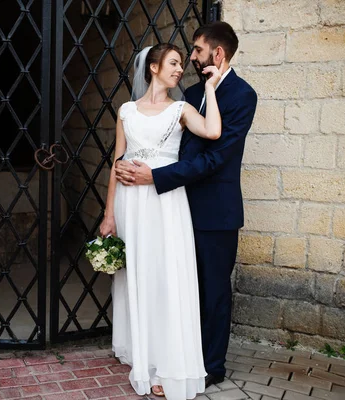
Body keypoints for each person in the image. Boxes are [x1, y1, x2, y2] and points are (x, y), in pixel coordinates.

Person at [114, 22, 258, 388]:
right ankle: (175, 357)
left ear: (218, 54)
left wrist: (156, 178)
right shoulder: (189, 94)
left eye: (196, 50)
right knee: (177, 288)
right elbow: (173, 144)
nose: (191, 57)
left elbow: (216, 158)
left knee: (212, 291)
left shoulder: (243, 96)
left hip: (214, 212)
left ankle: (210, 367)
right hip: (174, 207)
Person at [99, 42, 225, 399]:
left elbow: (213, 132)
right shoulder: (125, 110)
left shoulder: (181, 109)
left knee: (165, 275)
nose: (178, 69)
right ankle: (143, 353)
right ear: (152, 67)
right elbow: (116, 162)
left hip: (166, 201)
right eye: (172, 63)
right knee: (137, 273)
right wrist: (109, 214)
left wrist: (211, 89)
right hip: (130, 203)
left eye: (181, 64)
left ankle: (164, 362)